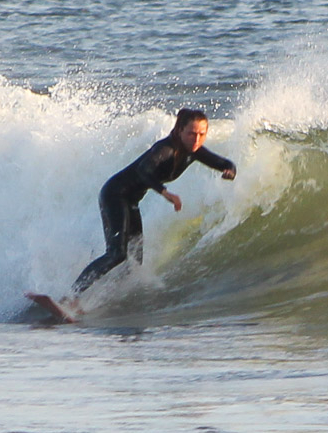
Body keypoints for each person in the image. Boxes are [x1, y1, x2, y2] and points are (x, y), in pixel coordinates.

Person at [67, 107, 236, 303]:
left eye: (201, 134)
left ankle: (108, 299)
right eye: (191, 133)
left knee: (135, 260)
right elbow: (143, 171)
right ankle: (72, 295)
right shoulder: (165, 149)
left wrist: (229, 171)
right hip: (114, 195)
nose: (196, 139)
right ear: (180, 130)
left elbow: (224, 162)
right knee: (117, 254)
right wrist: (165, 192)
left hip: (131, 201)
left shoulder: (195, 151)